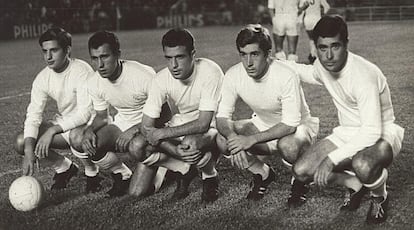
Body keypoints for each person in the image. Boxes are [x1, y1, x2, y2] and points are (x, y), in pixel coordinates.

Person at [289, 15, 404, 224]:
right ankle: (354, 184)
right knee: (301, 171)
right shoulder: (322, 66)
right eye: (322, 48)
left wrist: (331, 159)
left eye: (336, 46)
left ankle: (379, 197)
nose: (329, 55)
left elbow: (370, 131)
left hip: (382, 133)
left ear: (346, 44)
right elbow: (307, 72)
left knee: (363, 164)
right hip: (348, 132)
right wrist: (276, 64)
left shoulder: (364, 75)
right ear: (315, 47)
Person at [215, 24, 319, 202]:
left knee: (289, 146)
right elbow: (221, 117)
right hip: (262, 125)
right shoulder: (233, 75)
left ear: (267, 53)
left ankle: (300, 180)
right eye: (243, 54)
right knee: (222, 139)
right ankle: (263, 173)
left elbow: (289, 124)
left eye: (254, 54)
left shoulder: (285, 74)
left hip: (299, 129)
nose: (248, 62)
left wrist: (250, 140)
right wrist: (233, 140)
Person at [129, 28, 224, 203]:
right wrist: (174, 150)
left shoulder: (211, 71)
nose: (173, 65)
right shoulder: (161, 79)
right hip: (181, 124)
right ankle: (182, 168)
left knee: (190, 143)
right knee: (136, 147)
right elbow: (146, 126)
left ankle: (210, 175)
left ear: (193, 54)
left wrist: (163, 134)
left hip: (212, 127)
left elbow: (203, 123)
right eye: (168, 58)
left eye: (179, 57)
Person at [15, 27, 103, 193]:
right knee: (23, 141)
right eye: (45, 51)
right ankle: (64, 168)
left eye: (54, 50)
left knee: (77, 135)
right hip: (65, 126)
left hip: (91, 125)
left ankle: (92, 172)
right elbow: (33, 115)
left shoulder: (81, 71)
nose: (48, 57)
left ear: (67, 50)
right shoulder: (42, 78)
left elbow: (85, 113)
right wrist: (28, 151)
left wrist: (52, 131)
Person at [80, 31, 156, 197]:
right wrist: (89, 130)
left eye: (105, 56)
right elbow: (102, 116)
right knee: (89, 143)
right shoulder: (94, 82)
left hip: (152, 125)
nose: (100, 64)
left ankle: (165, 165)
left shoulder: (143, 75)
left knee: (138, 192)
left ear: (118, 55)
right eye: (94, 58)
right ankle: (122, 174)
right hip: (123, 123)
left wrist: (136, 130)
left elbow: (165, 115)